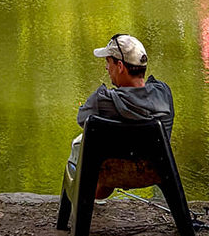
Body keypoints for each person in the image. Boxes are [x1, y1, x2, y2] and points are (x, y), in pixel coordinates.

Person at [65, 33, 174, 198]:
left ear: (120, 66)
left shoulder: (103, 101)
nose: (107, 68)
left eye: (108, 62)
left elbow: (82, 118)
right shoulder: (163, 94)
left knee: (80, 143)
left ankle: (82, 199)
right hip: (155, 171)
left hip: (111, 174)